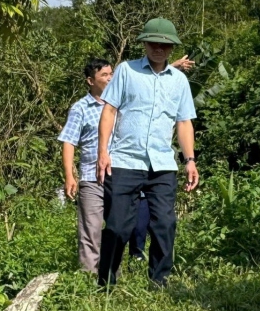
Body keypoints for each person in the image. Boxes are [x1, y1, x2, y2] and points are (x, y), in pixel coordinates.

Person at [96, 18, 199, 287]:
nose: (158, 48)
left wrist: (190, 160)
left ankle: (159, 281)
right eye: (153, 42)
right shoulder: (127, 71)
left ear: (172, 49)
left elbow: (184, 122)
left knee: (165, 224)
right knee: (118, 227)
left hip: (162, 163)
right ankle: (106, 282)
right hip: (125, 161)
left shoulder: (179, 81)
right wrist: (103, 152)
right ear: (144, 43)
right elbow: (109, 110)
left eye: (165, 45)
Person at [58, 59, 114, 273]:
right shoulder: (80, 108)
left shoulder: (120, 104)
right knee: (91, 230)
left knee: (117, 228)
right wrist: (70, 176)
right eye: (104, 75)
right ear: (90, 81)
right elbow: (69, 141)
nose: (110, 78)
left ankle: (111, 276)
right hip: (91, 177)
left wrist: (170, 67)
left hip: (119, 175)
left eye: (111, 74)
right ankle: (88, 278)